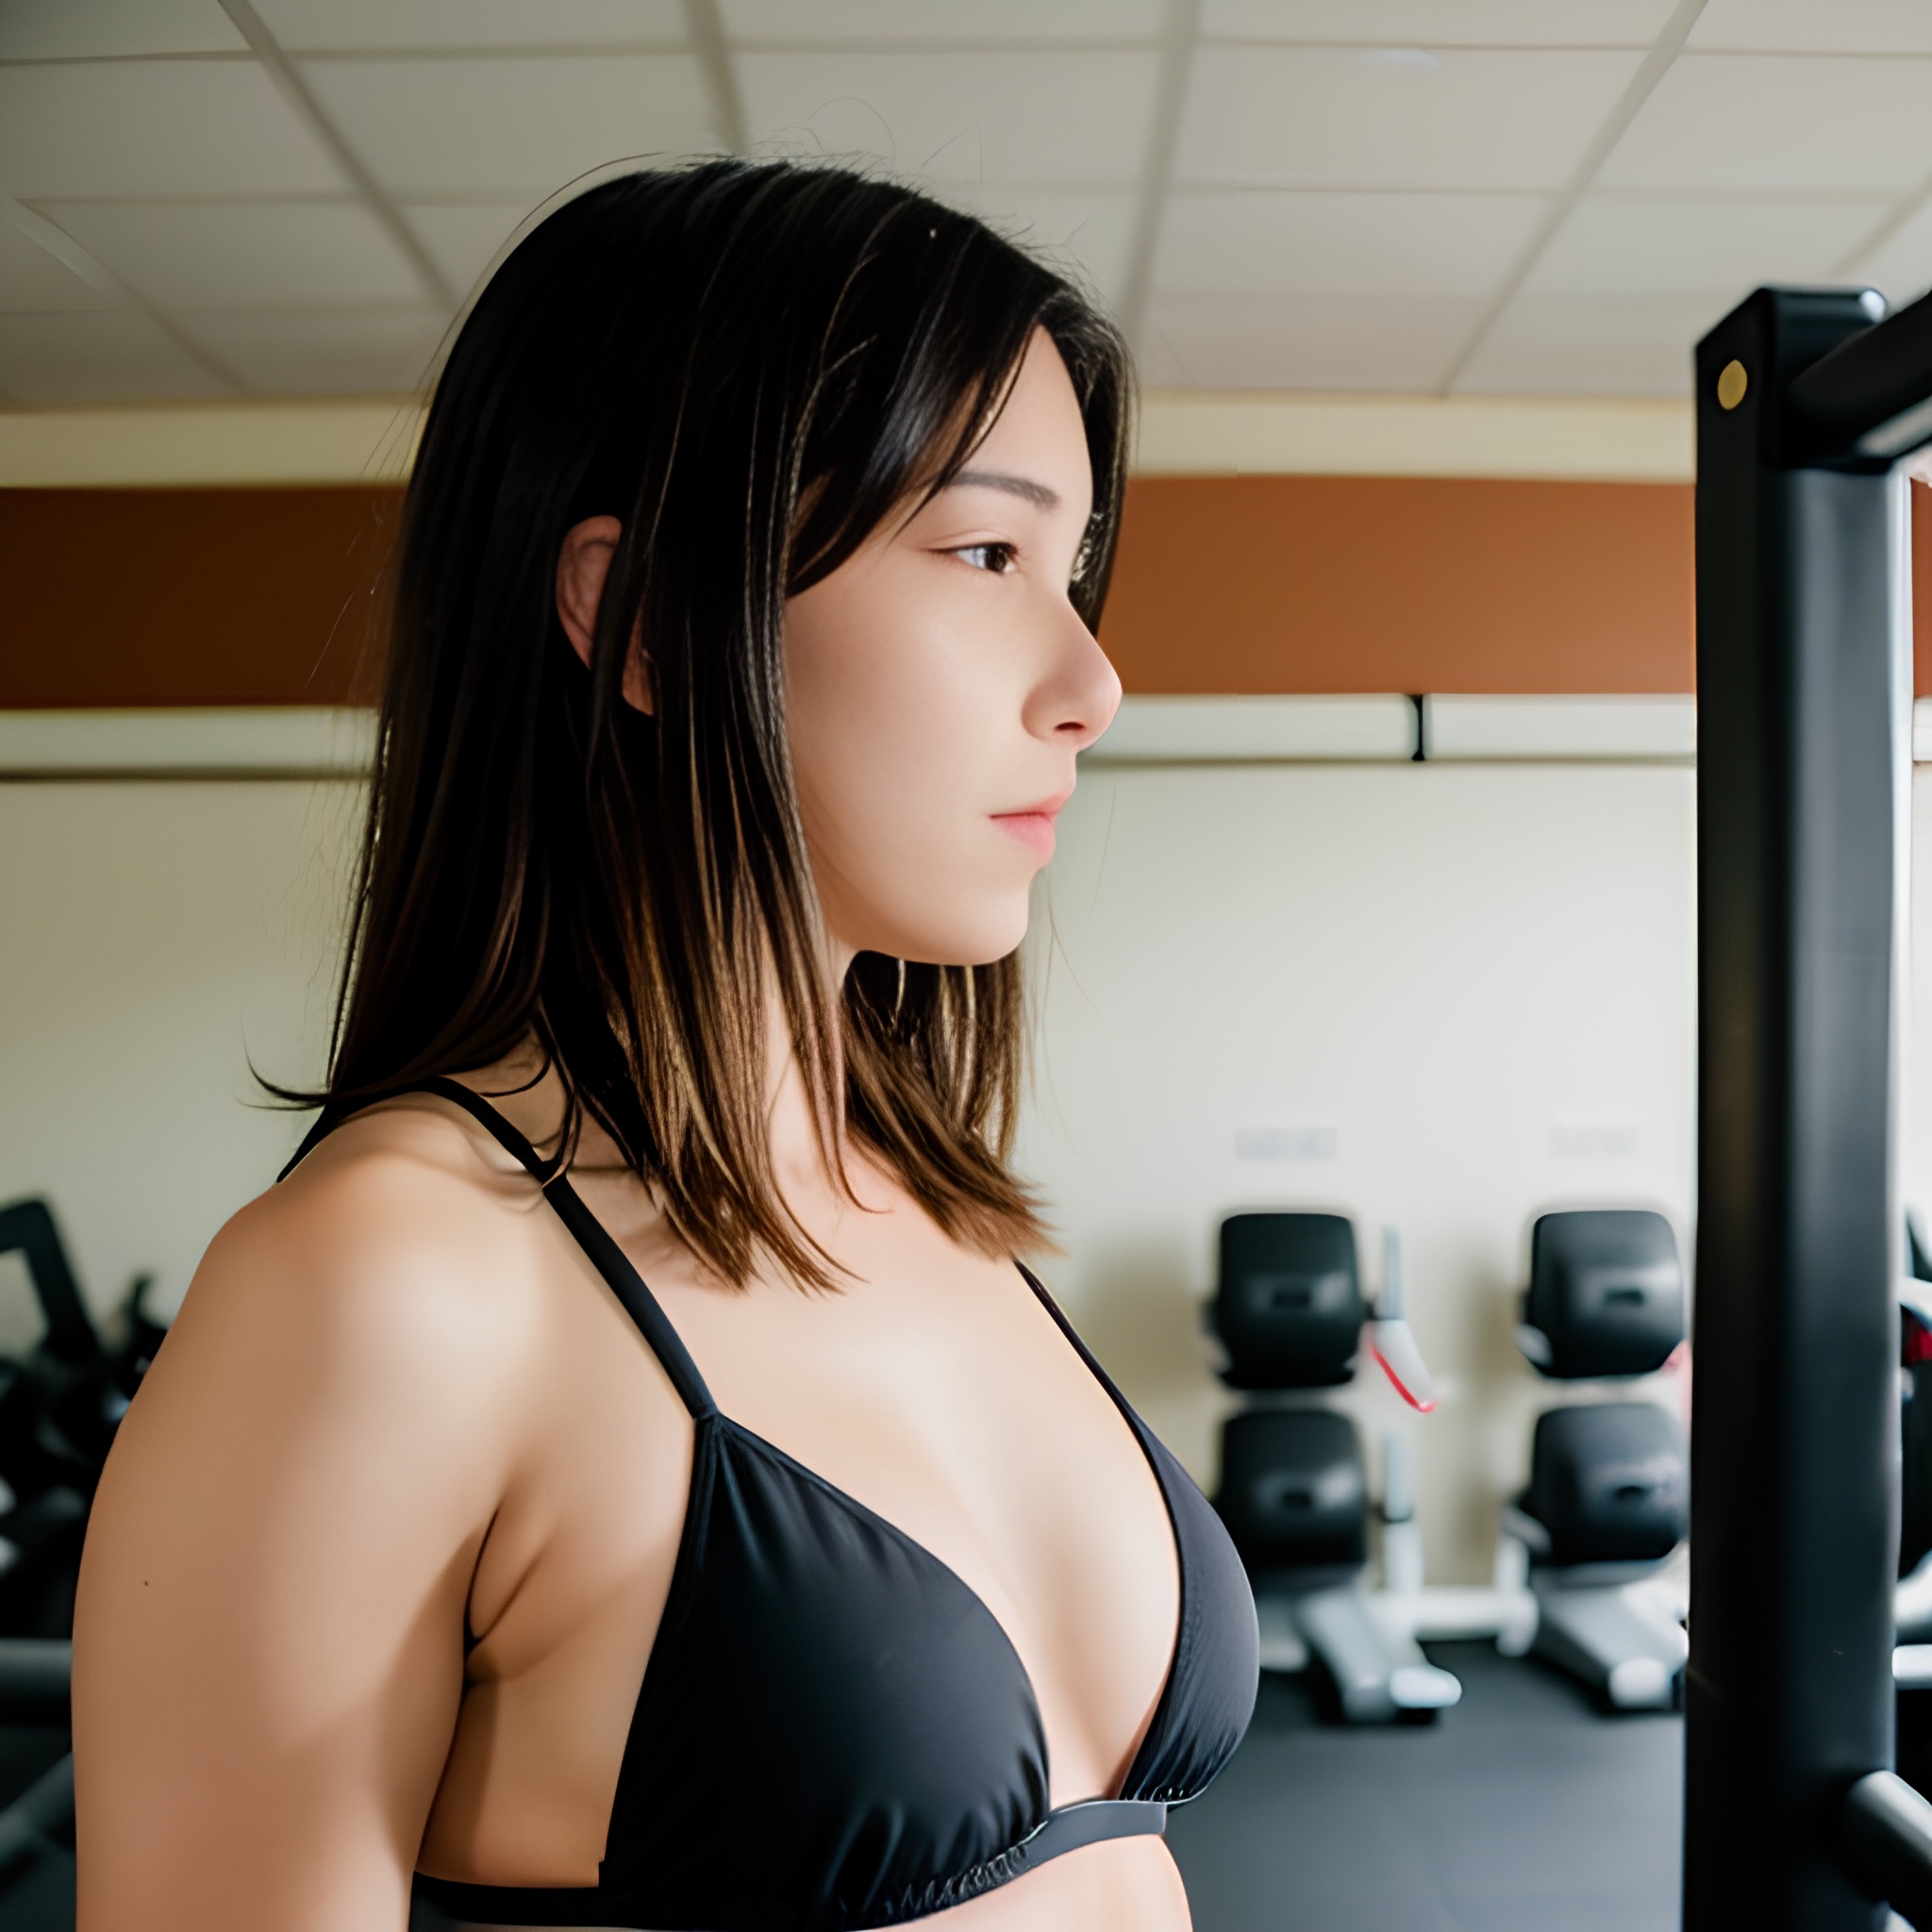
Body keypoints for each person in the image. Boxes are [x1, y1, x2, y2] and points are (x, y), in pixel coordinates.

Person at [73, 159, 1258, 1931]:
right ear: (644, 618)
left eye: (1072, 567)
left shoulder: (926, 1195)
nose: (1094, 681)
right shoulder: (386, 1286)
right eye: (987, 552)